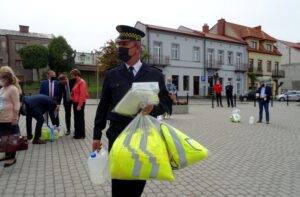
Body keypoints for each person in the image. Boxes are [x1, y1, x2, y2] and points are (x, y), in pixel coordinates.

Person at [92, 25, 170, 197]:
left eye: (124, 45)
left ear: (137, 47)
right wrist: (97, 135)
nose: (120, 48)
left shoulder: (155, 75)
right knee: (119, 182)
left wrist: (153, 108)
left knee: (137, 183)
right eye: (119, 44)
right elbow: (103, 106)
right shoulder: (112, 74)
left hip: (143, 137)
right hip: (118, 134)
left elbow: (166, 105)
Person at [0, 67, 21, 167]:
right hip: (2, 118)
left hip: (10, 118)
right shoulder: (3, 88)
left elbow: (17, 104)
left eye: (2, 79)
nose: (1, 80)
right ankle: (7, 154)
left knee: (12, 138)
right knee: (4, 138)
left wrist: (15, 118)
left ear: (7, 78)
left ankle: (12, 157)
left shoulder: (13, 89)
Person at [70, 69, 88, 139]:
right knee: (76, 118)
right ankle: (77, 133)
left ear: (76, 75)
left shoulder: (82, 82)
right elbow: (75, 90)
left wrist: (79, 105)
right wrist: (72, 94)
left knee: (79, 119)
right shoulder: (77, 82)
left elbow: (82, 94)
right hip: (75, 102)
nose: (71, 77)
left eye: (72, 76)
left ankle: (80, 134)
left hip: (79, 103)